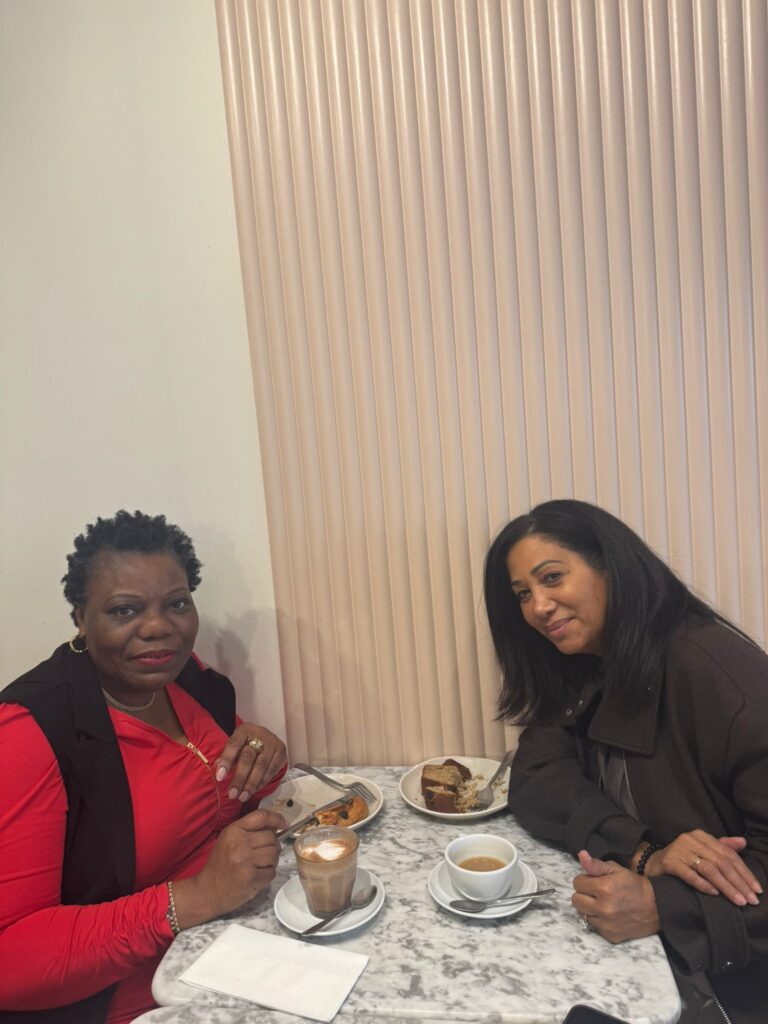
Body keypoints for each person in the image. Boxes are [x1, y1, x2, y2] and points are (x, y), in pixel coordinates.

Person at [483, 499, 768, 1024]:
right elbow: (538, 775)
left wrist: (666, 906)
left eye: (552, 577)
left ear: (611, 567)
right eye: (522, 593)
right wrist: (643, 853)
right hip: (642, 958)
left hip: (732, 986)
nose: (538, 606)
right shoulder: (589, 660)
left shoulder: (719, 675)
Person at [0, 511, 289, 1024]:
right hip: (135, 999)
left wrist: (267, 755)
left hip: (231, 943)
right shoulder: (30, 731)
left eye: (176, 603)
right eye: (125, 610)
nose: (159, 627)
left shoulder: (183, 676)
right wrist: (195, 897)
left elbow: (228, 778)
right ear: (80, 618)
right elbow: (11, 962)